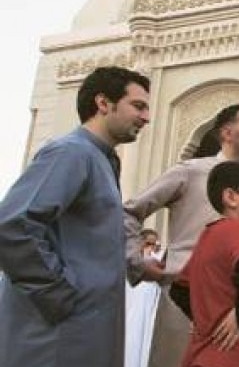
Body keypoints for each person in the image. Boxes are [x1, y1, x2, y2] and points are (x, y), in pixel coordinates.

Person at [0, 66, 150, 366]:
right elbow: (14, 225)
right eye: (138, 106)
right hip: (55, 335)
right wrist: (59, 294)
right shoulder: (71, 153)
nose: (146, 117)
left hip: (83, 332)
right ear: (103, 103)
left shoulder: (102, 160)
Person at [123, 103, 239, 367]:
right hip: (186, 301)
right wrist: (137, 263)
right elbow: (129, 212)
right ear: (227, 133)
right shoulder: (190, 172)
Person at [169, 161, 239, 367]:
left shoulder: (209, 235)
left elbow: (178, 291)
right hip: (237, 355)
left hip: (201, 355)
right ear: (231, 197)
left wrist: (208, 321)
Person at [126, 229, 165, 367]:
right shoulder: (129, 269)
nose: (153, 249)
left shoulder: (156, 267)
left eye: (156, 245)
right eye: (149, 244)